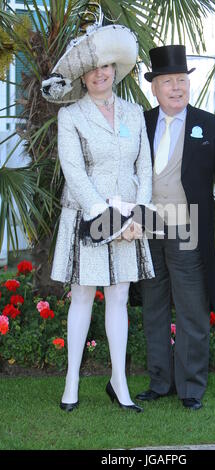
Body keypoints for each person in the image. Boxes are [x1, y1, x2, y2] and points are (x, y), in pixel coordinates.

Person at [41, 19, 155, 413]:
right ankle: (71, 380)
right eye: (91, 69)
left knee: (120, 296)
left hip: (130, 218)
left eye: (105, 66)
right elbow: (74, 173)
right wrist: (109, 218)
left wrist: (138, 213)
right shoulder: (69, 117)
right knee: (84, 296)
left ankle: (119, 382)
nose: (99, 73)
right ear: (82, 77)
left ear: (114, 70)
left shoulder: (135, 112)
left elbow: (145, 168)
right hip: (88, 218)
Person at [135, 45, 215, 410]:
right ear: (155, 87)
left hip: (187, 227)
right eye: (168, 81)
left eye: (181, 80)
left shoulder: (210, 125)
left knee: (192, 309)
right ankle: (160, 382)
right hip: (146, 226)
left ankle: (191, 387)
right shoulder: (141, 123)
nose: (176, 87)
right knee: (153, 307)